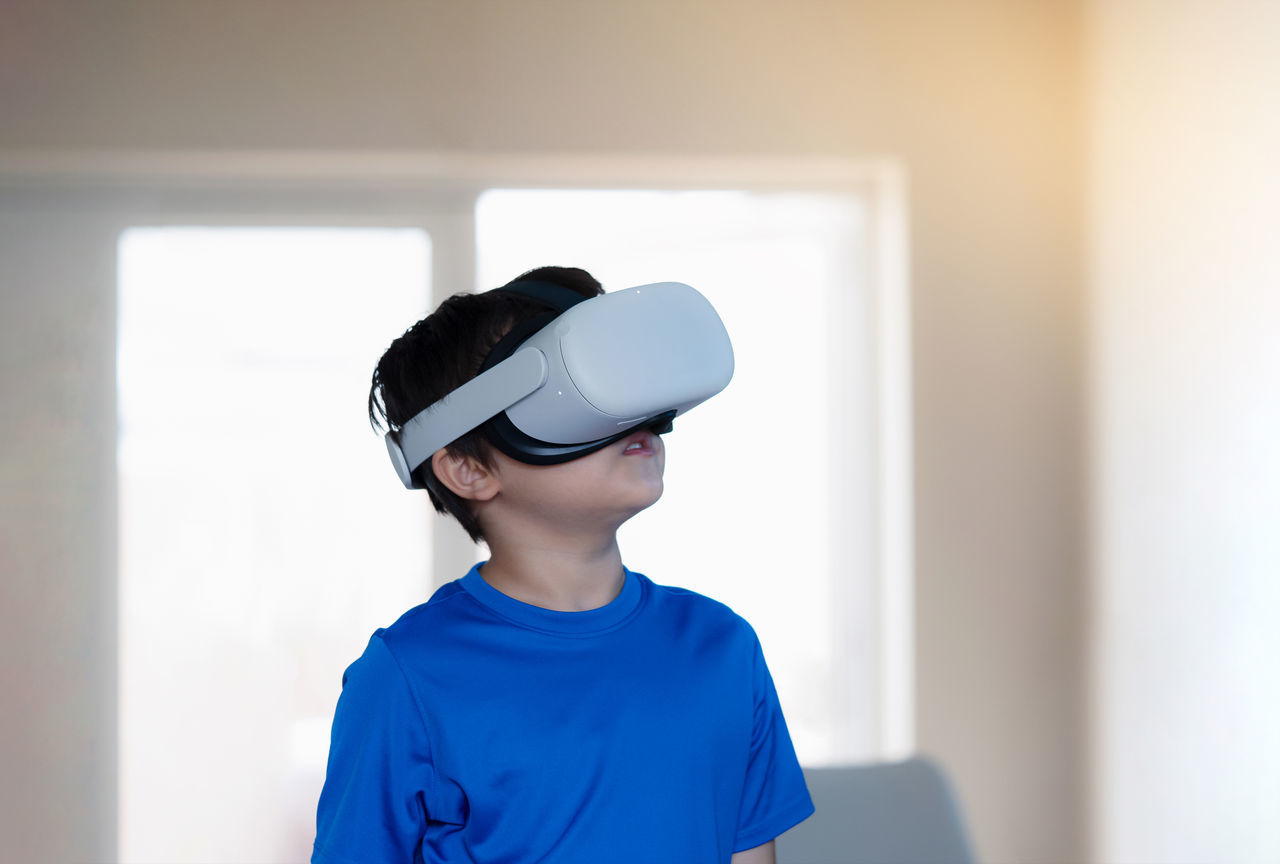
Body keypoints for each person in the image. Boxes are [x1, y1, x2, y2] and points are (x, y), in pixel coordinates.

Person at [312, 266, 813, 864]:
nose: (633, 414)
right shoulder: (408, 676)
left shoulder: (722, 647)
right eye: (576, 395)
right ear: (469, 469)